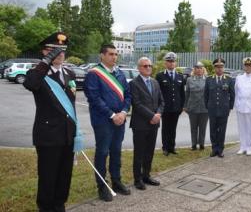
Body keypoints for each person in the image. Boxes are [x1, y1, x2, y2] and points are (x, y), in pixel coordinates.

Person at [23, 32, 77, 211]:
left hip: (67, 134)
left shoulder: (69, 73)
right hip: (48, 135)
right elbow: (30, 84)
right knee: (48, 175)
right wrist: (46, 62)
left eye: (62, 50)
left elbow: (71, 106)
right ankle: (45, 207)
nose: (60, 54)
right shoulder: (37, 73)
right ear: (45, 51)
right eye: (54, 50)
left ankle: (59, 204)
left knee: (64, 174)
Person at [84, 44, 131, 202]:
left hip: (120, 120)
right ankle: (102, 186)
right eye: (111, 54)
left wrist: (124, 112)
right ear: (102, 56)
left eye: (116, 54)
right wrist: (112, 115)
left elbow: (128, 95)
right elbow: (94, 98)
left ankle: (116, 181)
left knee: (116, 151)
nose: (114, 57)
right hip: (103, 120)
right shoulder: (94, 74)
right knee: (102, 152)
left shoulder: (119, 73)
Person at [130, 57, 164, 190]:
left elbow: (162, 101)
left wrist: (159, 114)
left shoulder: (155, 82)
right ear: (139, 68)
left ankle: (146, 176)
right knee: (139, 152)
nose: (148, 67)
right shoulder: (134, 83)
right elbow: (136, 104)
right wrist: (152, 116)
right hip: (140, 124)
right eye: (145, 66)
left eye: (150, 65)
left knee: (149, 151)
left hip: (154, 123)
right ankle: (137, 179)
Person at [204, 57, 235, 158]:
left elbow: (232, 94)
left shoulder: (229, 80)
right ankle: (214, 149)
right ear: (214, 68)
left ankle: (220, 149)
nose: (219, 69)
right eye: (217, 67)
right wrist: (207, 106)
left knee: (222, 130)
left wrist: (230, 107)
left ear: (223, 67)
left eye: (221, 67)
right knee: (212, 130)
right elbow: (206, 95)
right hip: (212, 109)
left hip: (224, 109)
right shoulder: (209, 79)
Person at [156, 52, 185, 156]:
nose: (171, 63)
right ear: (165, 63)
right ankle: (165, 148)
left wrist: (182, 106)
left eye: (173, 61)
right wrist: (158, 107)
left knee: (173, 128)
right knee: (165, 128)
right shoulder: (160, 76)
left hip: (176, 108)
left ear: (175, 63)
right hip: (165, 108)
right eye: (169, 61)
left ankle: (172, 147)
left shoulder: (180, 76)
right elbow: (157, 93)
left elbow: (182, 93)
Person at [235, 57, 251, 156]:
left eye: (250, 65)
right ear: (244, 66)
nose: (248, 67)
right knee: (241, 128)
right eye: (247, 65)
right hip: (241, 106)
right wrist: (236, 105)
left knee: (250, 128)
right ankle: (242, 147)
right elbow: (236, 92)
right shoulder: (239, 78)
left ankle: (249, 147)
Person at [184, 61, 208, 150]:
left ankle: (202, 144)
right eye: (197, 68)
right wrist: (185, 106)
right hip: (192, 107)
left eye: (201, 68)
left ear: (203, 70)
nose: (199, 70)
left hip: (204, 108)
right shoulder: (189, 80)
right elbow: (187, 94)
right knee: (193, 127)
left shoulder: (207, 79)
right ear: (194, 69)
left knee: (203, 127)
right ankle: (193, 144)